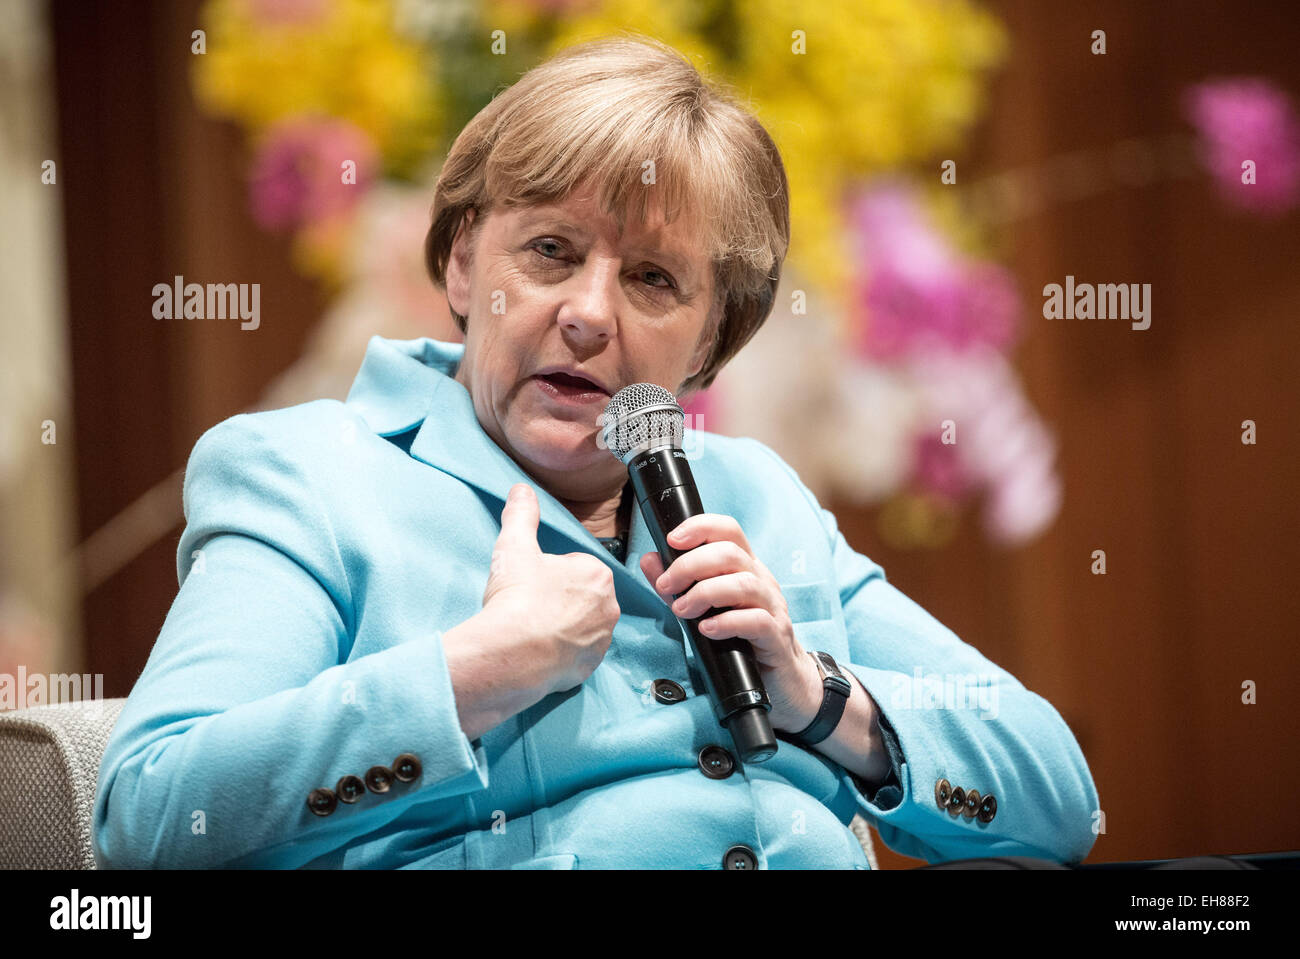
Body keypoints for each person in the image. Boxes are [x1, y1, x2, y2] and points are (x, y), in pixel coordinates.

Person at [92, 35, 1098, 869]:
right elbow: (147, 818)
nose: (585, 315)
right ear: (458, 262)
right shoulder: (312, 474)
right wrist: (465, 677)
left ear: (709, 344)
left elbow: (1058, 797)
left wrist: (816, 694)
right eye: (550, 252)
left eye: (654, 279)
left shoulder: (755, 498)